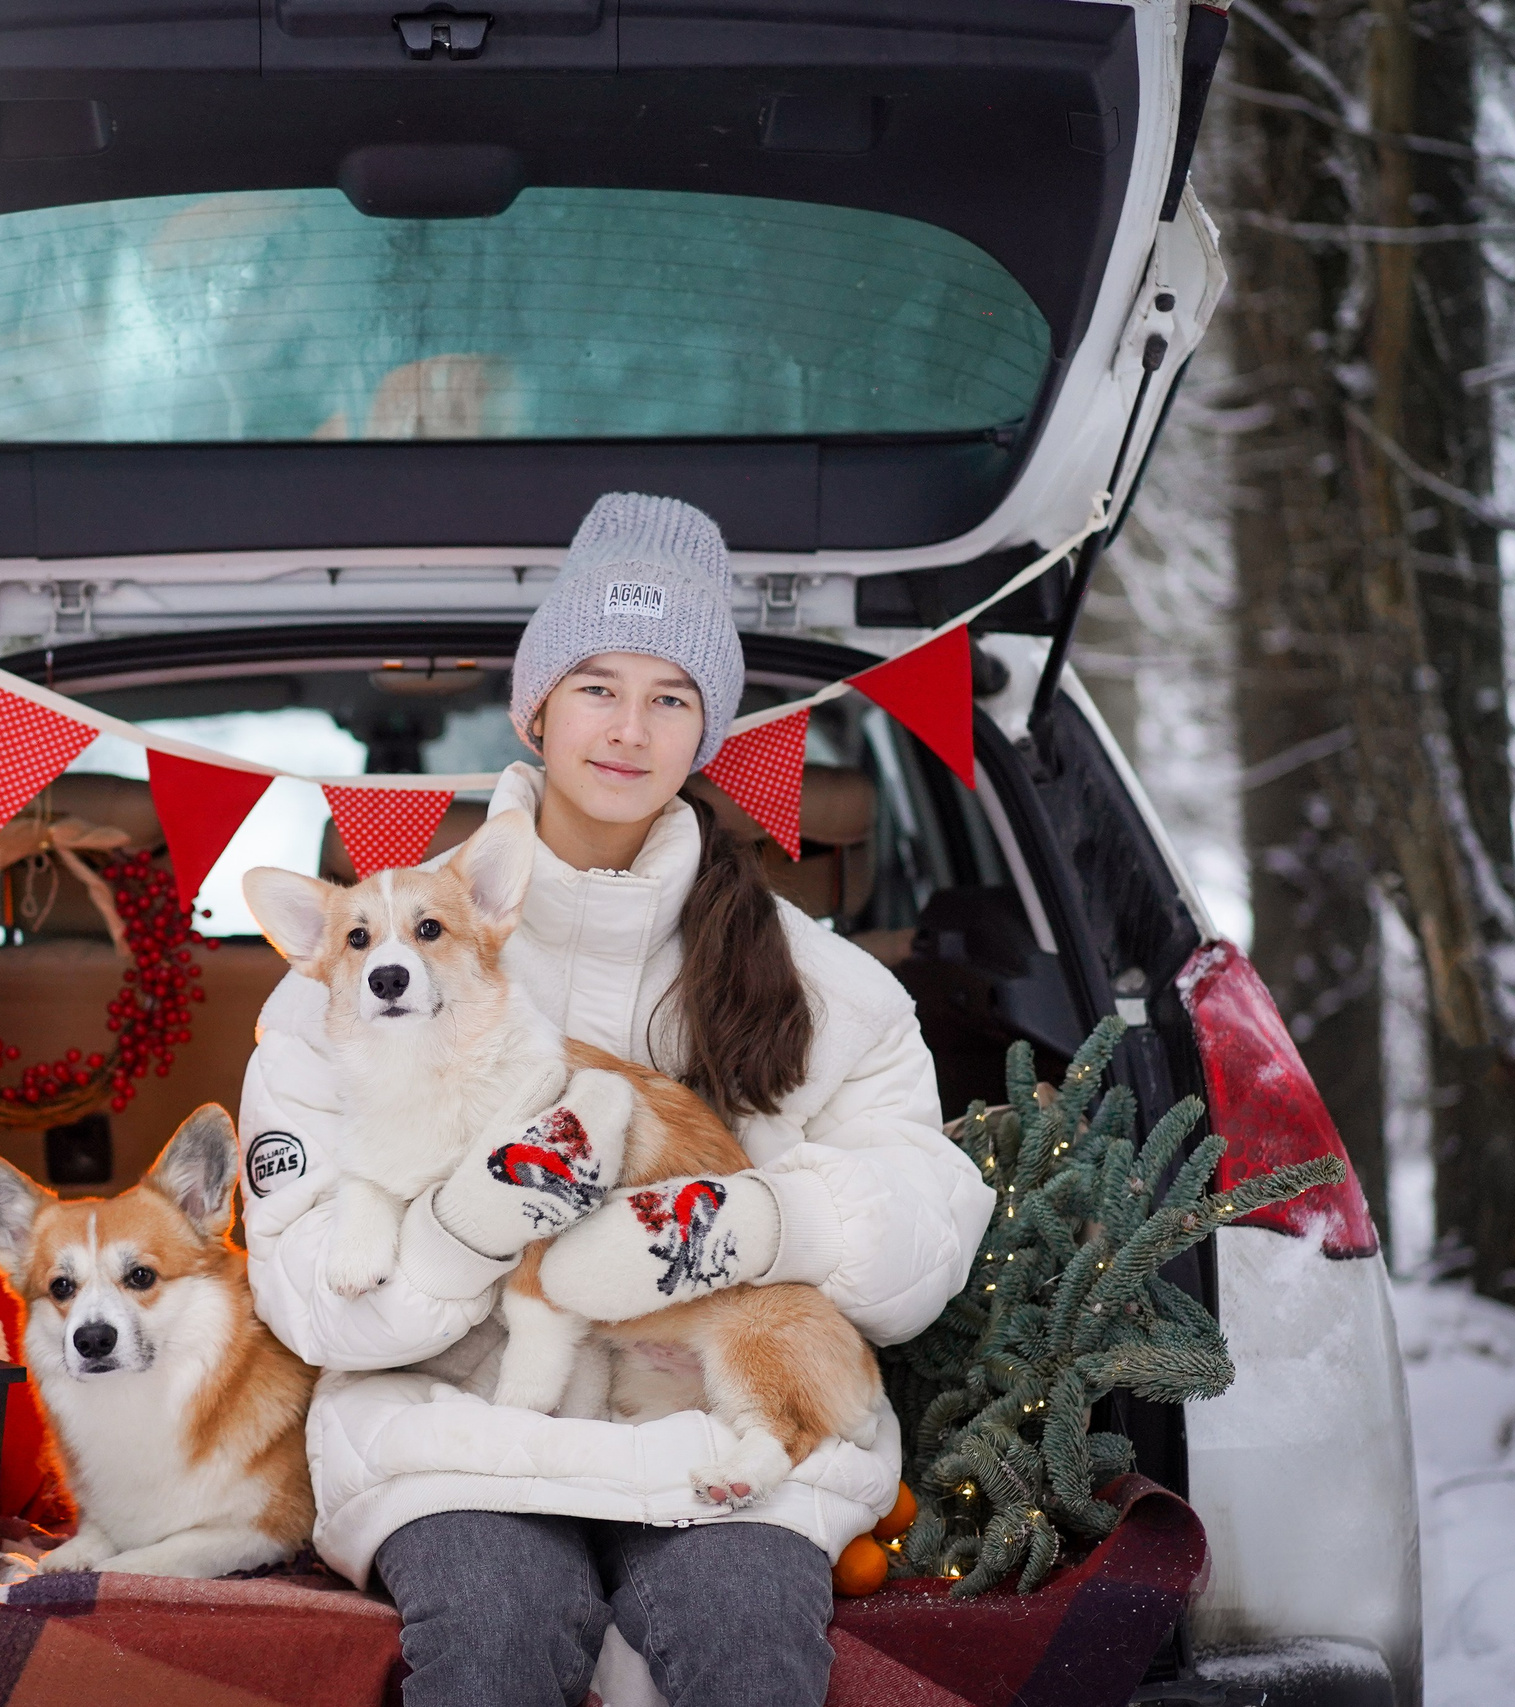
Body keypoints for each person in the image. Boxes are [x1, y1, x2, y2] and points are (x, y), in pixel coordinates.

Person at [238, 492, 995, 1707]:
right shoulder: (375, 963)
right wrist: (453, 1237)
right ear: (533, 706)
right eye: (595, 685)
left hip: (707, 1405)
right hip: (452, 1421)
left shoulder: (831, 990)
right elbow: (308, 1287)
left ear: (709, 731)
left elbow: (928, 1223)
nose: (627, 729)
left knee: (745, 1633)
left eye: (671, 696)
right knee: (496, 1624)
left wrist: (769, 1226)